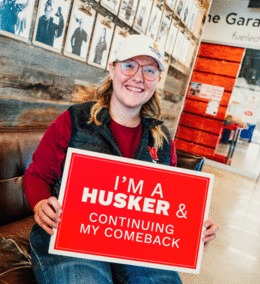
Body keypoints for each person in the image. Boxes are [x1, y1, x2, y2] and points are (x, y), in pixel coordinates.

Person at [24, 34, 218, 284]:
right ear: (112, 69)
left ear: (157, 80)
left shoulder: (162, 139)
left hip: (135, 245)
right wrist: (40, 203)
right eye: (129, 65)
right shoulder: (74, 120)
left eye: (149, 70)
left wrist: (194, 227)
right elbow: (37, 174)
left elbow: (167, 204)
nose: (138, 77)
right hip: (69, 235)